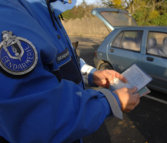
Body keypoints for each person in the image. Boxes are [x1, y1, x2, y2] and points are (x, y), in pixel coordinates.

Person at [0, 0, 141, 143]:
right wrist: (112, 101)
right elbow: (39, 119)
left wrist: (92, 74)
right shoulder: (8, 13)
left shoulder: (44, 7)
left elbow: (61, 59)